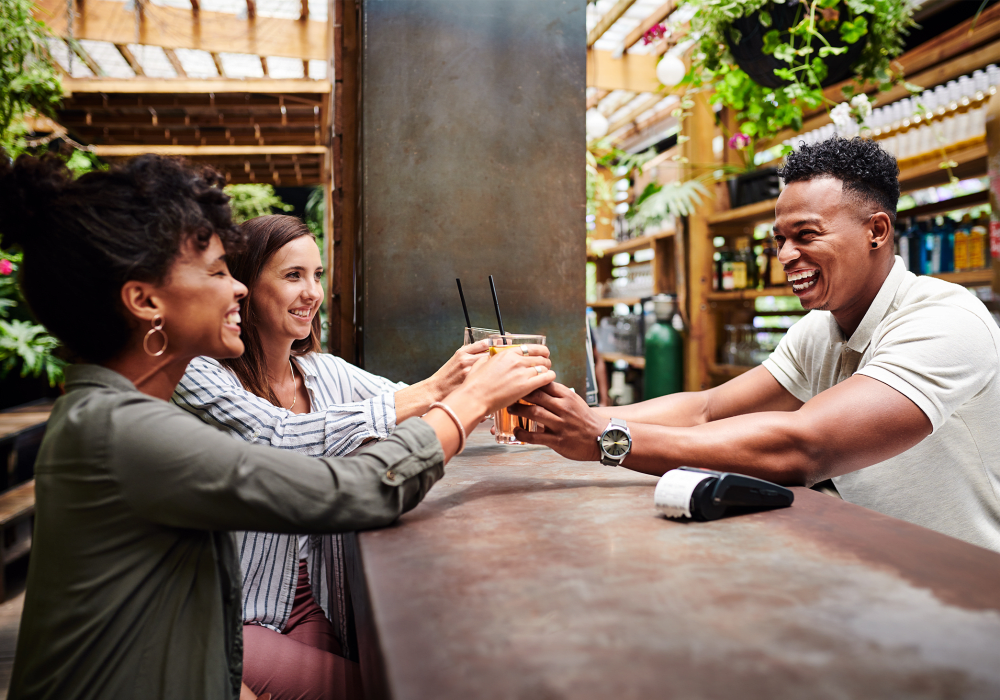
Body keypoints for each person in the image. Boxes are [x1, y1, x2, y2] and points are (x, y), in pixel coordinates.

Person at [0, 152, 554, 700]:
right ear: (145, 301)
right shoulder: (119, 433)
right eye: (217, 271)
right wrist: (468, 402)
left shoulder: (112, 416)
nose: (236, 287)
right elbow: (353, 489)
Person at [510, 137, 1000, 552]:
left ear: (876, 231)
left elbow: (805, 445)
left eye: (806, 235)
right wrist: (570, 418)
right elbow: (706, 408)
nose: (786, 256)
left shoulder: (943, 320)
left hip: (964, 586)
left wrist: (607, 438)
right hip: (870, 562)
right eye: (779, 240)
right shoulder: (821, 330)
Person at [171, 214, 489, 700]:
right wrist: (437, 390)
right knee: (377, 688)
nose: (312, 293)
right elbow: (277, 438)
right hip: (224, 612)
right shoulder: (199, 374)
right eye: (292, 275)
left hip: (307, 601)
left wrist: (538, 405)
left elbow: (415, 406)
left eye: (317, 276)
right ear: (245, 288)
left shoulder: (324, 373)